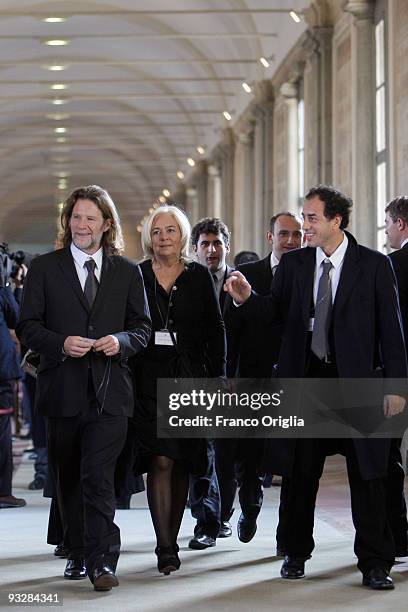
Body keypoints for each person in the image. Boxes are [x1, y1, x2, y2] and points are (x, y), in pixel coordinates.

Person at [225, 185, 407, 590]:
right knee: (299, 473)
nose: (303, 226)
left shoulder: (375, 265)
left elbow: (392, 330)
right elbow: (274, 314)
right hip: (307, 380)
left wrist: (396, 387)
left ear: (335, 221)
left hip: (360, 384)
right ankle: (294, 552)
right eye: (303, 217)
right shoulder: (294, 266)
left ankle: (375, 563)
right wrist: (247, 298)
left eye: (311, 218)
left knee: (369, 476)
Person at [17, 185, 151, 592]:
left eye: (91, 218)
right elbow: (27, 327)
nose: (82, 225)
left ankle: (101, 561)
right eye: (76, 217)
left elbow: (142, 329)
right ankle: (75, 551)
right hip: (63, 389)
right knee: (69, 476)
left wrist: (121, 342)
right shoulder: (44, 268)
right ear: (67, 222)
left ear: (106, 224)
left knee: (99, 477)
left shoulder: (127, 272)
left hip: (111, 392)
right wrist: (60, 343)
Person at [130, 205, 226, 574]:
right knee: (160, 458)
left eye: (171, 230)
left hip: (190, 377)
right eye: (157, 231)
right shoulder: (136, 274)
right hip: (148, 378)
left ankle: (172, 538)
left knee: (183, 458)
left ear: (182, 235)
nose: (164, 237)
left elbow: (215, 329)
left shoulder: (199, 276)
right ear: (149, 238)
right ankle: (164, 545)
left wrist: (218, 376)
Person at [231, 213, 302, 548]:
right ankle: (250, 506)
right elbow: (231, 332)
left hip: (293, 378)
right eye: (284, 234)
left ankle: (287, 534)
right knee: (249, 452)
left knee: (292, 457)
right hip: (252, 378)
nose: (290, 241)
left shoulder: (309, 274)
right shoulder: (248, 276)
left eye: (297, 234)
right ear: (269, 236)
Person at [188, 217, 233, 550]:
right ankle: (208, 520)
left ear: (226, 246)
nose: (211, 249)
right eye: (204, 244)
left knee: (231, 455)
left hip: (237, 380)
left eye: (217, 243)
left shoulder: (241, 281)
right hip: (197, 379)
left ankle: (224, 514)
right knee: (203, 450)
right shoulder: (186, 281)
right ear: (195, 249)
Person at [384, 196, 408, 557]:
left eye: (387, 222)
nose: (386, 229)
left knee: (389, 459)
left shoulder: (391, 265)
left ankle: (397, 537)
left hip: (398, 377)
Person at [0, 279, 26, 509]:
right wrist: (12, 286)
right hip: (1, 369)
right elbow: (17, 318)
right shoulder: (1, 285)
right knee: (1, 431)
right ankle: (2, 492)